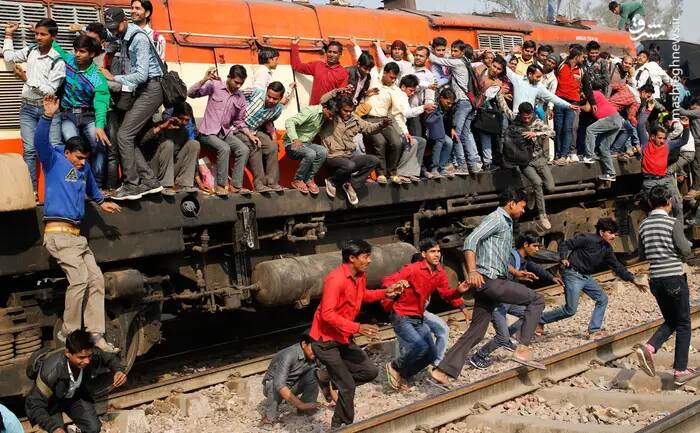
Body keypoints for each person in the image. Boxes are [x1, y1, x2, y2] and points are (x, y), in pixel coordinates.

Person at [429, 188, 547, 386]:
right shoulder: (496, 219)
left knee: (476, 331)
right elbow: (470, 241)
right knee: (537, 300)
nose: (523, 211)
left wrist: (516, 272)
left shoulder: (506, 222)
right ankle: (523, 348)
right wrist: (472, 271)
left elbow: (497, 256)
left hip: (489, 283)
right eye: (522, 207)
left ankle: (443, 371)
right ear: (511, 204)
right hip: (491, 282)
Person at [38, 95, 121, 351]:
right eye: (78, 158)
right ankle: (69, 332)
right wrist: (48, 116)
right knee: (79, 280)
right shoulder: (53, 161)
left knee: (96, 280)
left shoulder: (83, 169)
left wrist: (101, 201)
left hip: (76, 237)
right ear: (67, 153)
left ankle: (96, 334)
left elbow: (91, 185)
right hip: (58, 234)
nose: (83, 162)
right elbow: (40, 142)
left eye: (85, 158)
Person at [309, 239, 404, 429]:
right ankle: (340, 426)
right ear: (352, 258)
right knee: (348, 387)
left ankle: (327, 377)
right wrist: (357, 327)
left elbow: (363, 296)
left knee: (370, 372)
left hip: (342, 336)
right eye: (366, 256)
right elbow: (327, 314)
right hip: (325, 341)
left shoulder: (360, 276)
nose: (370, 260)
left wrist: (386, 292)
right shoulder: (335, 280)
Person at [383, 238, 470, 389]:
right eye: (432, 252)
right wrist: (395, 285)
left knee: (431, 353)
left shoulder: (439, 272)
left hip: (418, 317)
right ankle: (394, 366)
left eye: (438, 251)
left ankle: (403, 374)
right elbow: (387, 281)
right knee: (420, 346)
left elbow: (446, 294)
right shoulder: (412, 269)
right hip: (401, 315)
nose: (437, 255)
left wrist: (458, 291)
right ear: (423, 254)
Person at [539, 218, 646, 339]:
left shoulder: (607, 249)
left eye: (614, 234)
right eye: (610, 233)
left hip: (586, 277)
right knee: (570, 310)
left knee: (602, 299)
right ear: (601, 232)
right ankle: (539, 319)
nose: (613, 236)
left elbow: (617, 266)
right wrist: (563, 258)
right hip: (573, 274)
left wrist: (632, 279)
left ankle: (594, 330)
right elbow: (565, 244)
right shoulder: (586, 238)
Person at [469, 233, 562, 369]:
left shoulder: (523, 259)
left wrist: (551, 277)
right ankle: (479, 355)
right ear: (525, 245)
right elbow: (501, 280)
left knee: (530, 315)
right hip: (497, 303)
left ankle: (507, 338)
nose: (537, 249)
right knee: (502, 337)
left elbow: (535, 267)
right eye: (535, 246)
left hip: (507, 301)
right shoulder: (511, 258)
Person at [102, 7, 165, 200]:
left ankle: (132, 185)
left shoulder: (138, 38)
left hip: (151, 88)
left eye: (116, 26)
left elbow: (141, 75)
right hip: (143, 89)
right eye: (110, 27)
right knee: (128, 137)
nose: (114, 30)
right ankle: (150, 181)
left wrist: (113, 77)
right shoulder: (122, 35)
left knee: (124, 135)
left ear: (125, 21)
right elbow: (104, 35)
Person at [636, 185, 695, 385]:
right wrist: (683, 248)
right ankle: (680, 370)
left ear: (650, 203)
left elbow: (642, 253)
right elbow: (685, 250)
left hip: (656, 281)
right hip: (673, 278)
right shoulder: (672, 222)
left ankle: (650, 347)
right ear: (669, 202)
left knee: (671, 319)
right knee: (684, 323)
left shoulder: (643, 225)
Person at [3, 19, 65, 190]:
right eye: (36, 33)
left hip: (48, 110)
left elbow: (50, 90)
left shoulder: (58, 61)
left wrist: (26, 79)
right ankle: (32, 192)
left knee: (54, 149)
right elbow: (9, 57)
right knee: (29, 150)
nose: (38, 37)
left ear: (53, 36)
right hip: (27, 108)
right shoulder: (30, 50)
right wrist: (8, 34)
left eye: (43, 34)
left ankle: (56, 189)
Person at [25, 330, 127, 433]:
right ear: (68, 353)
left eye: (89, 356)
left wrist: (118, 371)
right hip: (51, 403)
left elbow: (109, 358)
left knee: (93, 428)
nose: (87, 361)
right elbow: (34, 405)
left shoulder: (91, 354)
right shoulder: (50, 372)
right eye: (81, 357)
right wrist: (53, 428)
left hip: (74, 397)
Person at [50, 36, 111, 188]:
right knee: (73, 145)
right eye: (76, 50)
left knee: (99, 144)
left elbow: (101, 102)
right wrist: (44, 33)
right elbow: (56, 48)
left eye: (82, 51)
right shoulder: (68, 60)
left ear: (91, 54)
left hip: (88, 115)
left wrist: (99, 126)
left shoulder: (97, 77)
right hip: (67, 115)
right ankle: (76, 184)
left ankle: (97, 185)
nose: (77, 54)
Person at [187, 65, 251, 197]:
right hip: (207, 132)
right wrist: (204, 79)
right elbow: (191, 94)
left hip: (224, 133)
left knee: (244, 149)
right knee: (224, 148)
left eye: (241, 83)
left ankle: (235, 186)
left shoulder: (240, 97)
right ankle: (221, 186)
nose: (238, 86)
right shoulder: (214, 85)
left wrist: (249, 134)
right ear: (229, 77)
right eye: (236, 82)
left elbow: (239, 121)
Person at [319, 95, 386, 205]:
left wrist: (381, 125)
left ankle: (351, 184)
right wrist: (336, 92)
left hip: (348, 156)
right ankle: (332, 181)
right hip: (331, 156)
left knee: (373, 160)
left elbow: (369, 128)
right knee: (349, 165)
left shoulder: (354, 119)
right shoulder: (330, 117)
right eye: (345, 111)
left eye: (350, 111)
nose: (348, 113)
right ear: (339, 109)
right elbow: (322, 101)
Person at [501, 102, 556, 231]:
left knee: (550, 187)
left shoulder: (536, 122)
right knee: (537, 183)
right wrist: (499, 94)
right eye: (524, 117)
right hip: (525, 161)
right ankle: (542, 215)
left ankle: (532, 193)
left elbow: (552, 133)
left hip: (539, 159)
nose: (526, 120)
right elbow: (505, 109)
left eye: (528, 117)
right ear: (520, 114)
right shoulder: (515, 119)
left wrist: (535, 134)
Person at [429, 40, 481, 174]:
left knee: (456, 134)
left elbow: (436, 59)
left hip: (462, 103)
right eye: (451, 50)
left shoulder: (457, 62)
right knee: (465, 134)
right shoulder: (465, 61)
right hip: (470, 103)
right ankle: (474, 164)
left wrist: (429, 48)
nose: (452, 53)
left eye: (455, 51)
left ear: (462, 52)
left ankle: (462, 166)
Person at [284, 90, 341, 194]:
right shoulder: (310, 111)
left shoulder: (325, 116)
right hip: (292, 144)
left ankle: (308, 179)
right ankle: (297, 180)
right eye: (330, 115)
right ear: (325, 108)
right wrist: (295, 139)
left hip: (307, 144)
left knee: (323, 151)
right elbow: (289, 121)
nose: (331, 118)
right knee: (310, 153)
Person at [140, 102, 200, 195]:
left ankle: (183, 184)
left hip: (170, 172)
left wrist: (197, 178)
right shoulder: (161, 126)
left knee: (194, 144)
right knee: (168, 144)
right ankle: (165, 185)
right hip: (153, 171)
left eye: (187, 120)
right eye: (181, 119)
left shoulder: (184, 131)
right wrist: (162, 127)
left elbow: (187, 157)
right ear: (174, 116)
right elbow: (141, 141)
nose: (184, 122)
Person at [363, 62, 409, 184]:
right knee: (380, 143)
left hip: (384, 120)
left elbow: (397, 113)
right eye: (391, 77)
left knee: (397, 143)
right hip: (369, 120)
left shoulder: (395, 90)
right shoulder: (374, 79)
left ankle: (392, 172)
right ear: (385, 73)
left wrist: (405, 131)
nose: (393, 80)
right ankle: (381, 173)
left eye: (395, 78)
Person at [261, 334, 321, 424]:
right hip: (273, 388)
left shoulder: (315, 354)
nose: (316, 351)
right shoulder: (289, 355)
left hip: (292, 386)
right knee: (273, 383)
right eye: (314, 348)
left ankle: (305, 410)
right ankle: (269, 418)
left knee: (315, 373)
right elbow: (280, 385)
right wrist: (301, 405)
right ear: (304, 344)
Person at [238, 82, 286, 193]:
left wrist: (273, 138)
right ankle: (259, 184)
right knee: (256, 145)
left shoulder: (278, 110)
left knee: (272, 147)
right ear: (266, 92)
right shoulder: (255, 92)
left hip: (255, 130)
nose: (270, 100)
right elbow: (234, 93)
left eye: (275, 99)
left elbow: (268, 122)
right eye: (269, 96)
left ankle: (272, 182)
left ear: (280, 98)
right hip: (238, 128)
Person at [640, 124, 690, 218]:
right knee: (656, 208)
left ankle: (678, 225)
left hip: (665, 179)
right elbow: (640, 124)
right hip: (650, 181)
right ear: (652, 137)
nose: (662, 140)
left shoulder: (667, 145)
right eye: (660, 138)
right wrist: (646, 113)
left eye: (664, 138)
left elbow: (684, 140)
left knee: (677, 203)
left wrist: (686, 126)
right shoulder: (646, 145)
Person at [554, 47, 594, 164]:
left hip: (573, 103)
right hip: (559, 101)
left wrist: (592, 102)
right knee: (558, 128)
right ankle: (558, 153)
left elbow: (587, 87)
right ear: (577, 56)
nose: (584, 59)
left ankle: (564, 155)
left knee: (568, 128)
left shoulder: (581, 69)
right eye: (583, 57)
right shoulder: (561, 65)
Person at [583, 86, 624, 181]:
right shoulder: (598, 94)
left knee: (590, 130)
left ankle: (589, 156)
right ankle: (611, 173)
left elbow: (587, 108)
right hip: (616, 120)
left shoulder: (592, 94)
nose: (582, 96)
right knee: (604, 148)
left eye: (581, 94)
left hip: (611, 118)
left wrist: (576, 107)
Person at [396, 74, 431, 182]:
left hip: (402, 128)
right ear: (403, 87)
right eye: (411, 90)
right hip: (395, 129)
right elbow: (407, 113)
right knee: (412, 142)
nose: (412, 93)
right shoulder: (400, 95)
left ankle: (412, 172)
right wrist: (423, 107)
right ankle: (402, 172)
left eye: (413, 91)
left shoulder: (404, 96)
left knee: (422, 141)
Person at [291, 38, 348, 105]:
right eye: (329, 52)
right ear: (326, 52)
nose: (331, 54)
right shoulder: (317, 65)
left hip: (329, 109)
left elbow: (342, 96)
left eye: (335, 52)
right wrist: (294, 45)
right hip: (313, 108)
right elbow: (297, 66)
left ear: (340, 54)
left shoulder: (343, 73)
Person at [424, 88, 457, 178]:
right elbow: (427, 121)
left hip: (441, 132)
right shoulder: (433, 105)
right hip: (429, 131)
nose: (450, 105)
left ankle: (441, 168)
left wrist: (452, 128)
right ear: (441, 98)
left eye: (451, 103)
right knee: (439, 140)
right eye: (448, 102)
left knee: (449, 142)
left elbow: (450, 119)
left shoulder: (448, 108)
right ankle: (434, 168)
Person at [679, 99, 700, 199]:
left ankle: (696, 188)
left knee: (696, 166)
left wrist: (675, 105)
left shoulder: (698, 111)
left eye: (690, 106)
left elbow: (683, 112)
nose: (689, 108)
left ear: (695, 104)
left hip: (698, 143)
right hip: (697, 142)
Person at [347, 40, 376, 106]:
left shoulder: (368, 77)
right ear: (358, 64)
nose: (367, 72)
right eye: (365, 69)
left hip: (353, 106)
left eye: (369, 69)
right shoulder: (348, 72)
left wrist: (365, 93)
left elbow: (359, 93)